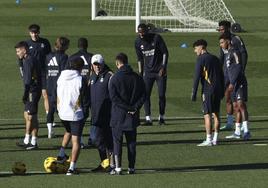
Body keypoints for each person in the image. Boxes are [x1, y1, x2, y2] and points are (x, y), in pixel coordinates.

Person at [109, 53, 145, 175]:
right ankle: (131, 167)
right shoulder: (137, 77)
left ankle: (118, 167)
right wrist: (134, 107)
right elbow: (144, 95)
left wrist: (127, 107)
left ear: (117, 63)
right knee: (131, 143)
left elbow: (114, 98)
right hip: (132, 115)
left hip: (118, 115)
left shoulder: (114, 78)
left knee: (117, 142)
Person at [56, 57, 89, 175]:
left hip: (62, 113)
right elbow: (85, 99)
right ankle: (71, 168)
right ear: (81, 67)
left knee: (68, 130)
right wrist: (85, 113)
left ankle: (61, 154)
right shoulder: (80, 79)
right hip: (75, 114)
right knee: (76, 141)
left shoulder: (61, 77)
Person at [191, 39, 224, 146]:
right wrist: (222, 90)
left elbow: (196, 77)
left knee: (207, 115)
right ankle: (215, 139)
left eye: (196, 48)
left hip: (208, 90)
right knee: (216, 114)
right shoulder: (215, 58)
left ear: (201, 47)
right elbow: (222, 75)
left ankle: (208, 139)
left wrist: (194, 92)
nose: (195, 51)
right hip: (218, 89)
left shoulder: (201, 59)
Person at [135, 23, 168, 125]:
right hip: (148, 73)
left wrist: (163, 67)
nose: (141, 35)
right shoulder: (137, 42)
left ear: (147, 31)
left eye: (143, 33)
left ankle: (161, 117)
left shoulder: (157, 38)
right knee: (145, 95)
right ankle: (148, 118)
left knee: (161, 95)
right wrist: (141, 72)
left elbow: (165, 53)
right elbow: (140, 59)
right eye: (139, 33)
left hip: (159, 72)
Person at [219, 33, 251, 140]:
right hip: (232, 84)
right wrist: (225, 84)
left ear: (228, 41)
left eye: (222, 42)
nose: (221, 45)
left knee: (241, 105)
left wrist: (232, 82)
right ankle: (237, 132)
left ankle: (246, 131)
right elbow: (228, 72)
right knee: (236, 107)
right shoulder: (227, 54)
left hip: (239, 82)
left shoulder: (235, 52)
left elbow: (238, 67)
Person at [88, 54, 114, 172]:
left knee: (109, 141)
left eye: (99, 64)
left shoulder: (110, 76)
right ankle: (105, 162)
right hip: (95, 114)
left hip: (107, 115)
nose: (97, 67)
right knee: (95, 139)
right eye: (95, 64)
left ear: (103, 64)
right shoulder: (92, 76)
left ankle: (111, 164)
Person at [15, 41, 42, 150]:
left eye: (18, 51)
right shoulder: (26, 59)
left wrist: (25, 94)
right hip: (31, 90)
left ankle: (32, 141)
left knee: (31, 116)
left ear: (24, 50)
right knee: (27, 115)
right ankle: (28, 140)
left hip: (32, 91)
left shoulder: (29, 61)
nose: (17, 53)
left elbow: (27, 80)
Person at [69, 37, 93, 147]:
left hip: (76, 90)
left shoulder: (72, 57)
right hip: (90, 90)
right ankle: (92, 137)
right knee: (93, 114)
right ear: (87, 45)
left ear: (78, 46)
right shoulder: (92, 57)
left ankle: (80, 139)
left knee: (77, 115)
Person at [45, 37, 70, 138]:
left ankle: (50, 131)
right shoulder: (64, 57)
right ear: (64, 46)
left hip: (49, 84)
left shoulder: (48, 56)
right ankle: (69, 129)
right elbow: (64, 73)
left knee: (50, 109)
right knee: (62, 109)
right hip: (59, 86)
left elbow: (46, 71)